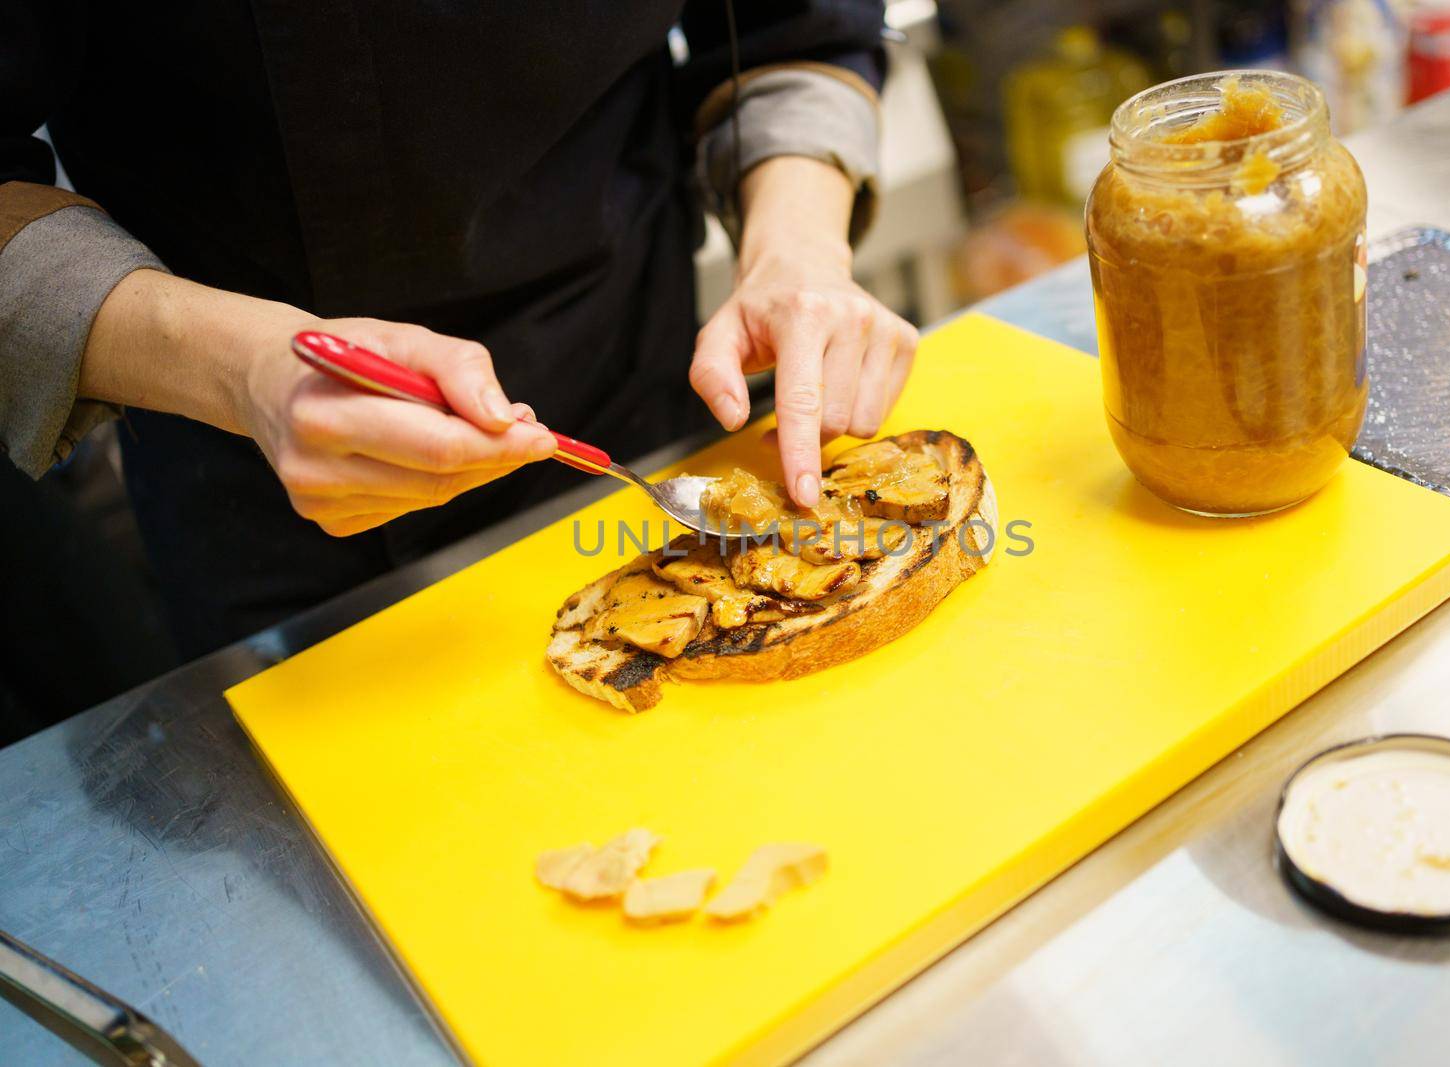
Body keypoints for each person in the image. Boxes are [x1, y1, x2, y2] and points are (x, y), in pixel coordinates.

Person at [0, 2, 917, 658]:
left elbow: (793, 25)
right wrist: (238, 368)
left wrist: (796, 246)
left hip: (628, 375)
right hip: (242, 469)